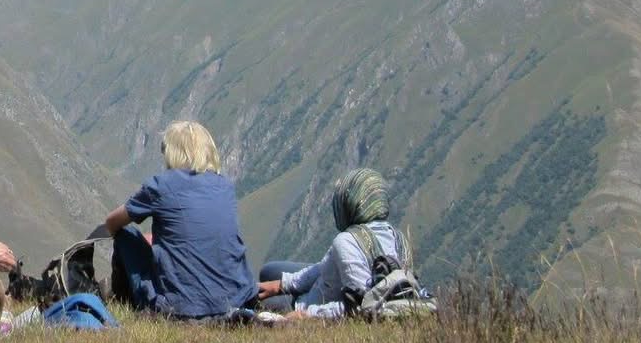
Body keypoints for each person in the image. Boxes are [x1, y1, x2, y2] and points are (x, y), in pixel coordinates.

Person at [96, 119, 258, 319]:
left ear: (172, 153)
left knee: (125, 234)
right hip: (236, 300)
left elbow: (112, 223)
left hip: (180, 308)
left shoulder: (160, 186)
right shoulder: (225, 186)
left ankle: (122, 302)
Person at [256, 168, 411, 320]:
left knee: (263, 299)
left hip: (313, 303)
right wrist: (282, 285)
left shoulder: (348, 241)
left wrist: (306, 314)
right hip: (331, 285)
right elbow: (326, 266)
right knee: (270, 271)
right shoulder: (398, 239)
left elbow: (358, 306)